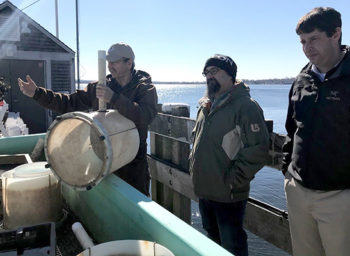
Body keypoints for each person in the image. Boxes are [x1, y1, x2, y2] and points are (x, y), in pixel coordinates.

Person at [18, 42, 158, 196]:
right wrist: (37, 93)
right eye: (108, 62)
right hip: (102, 158)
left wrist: (113, 98)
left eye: (115, 62)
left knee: (135, 205)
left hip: (133, 163)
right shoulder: (100, 86)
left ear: (129, 63)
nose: (110, 66)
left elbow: (146, 115)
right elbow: (69, 103)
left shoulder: (144, 88)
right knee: (109, 204)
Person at [282, 7, 350, 256]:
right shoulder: (302, 79)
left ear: (336, 33)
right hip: (298, 190)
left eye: (314, 39)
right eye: (302, 41)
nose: (307, 47)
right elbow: (292, 128)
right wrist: (287, 172)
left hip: (340, 196)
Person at [189, 54, 270, 255]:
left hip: (228, 195)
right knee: (213, 245)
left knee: (232, 246)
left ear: (231, 75)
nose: (209, 77)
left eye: (214, 71)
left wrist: (232, 181)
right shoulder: (205, 105)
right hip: (205, 190)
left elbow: (258, 150)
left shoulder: (245, 106)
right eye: (206, 73)